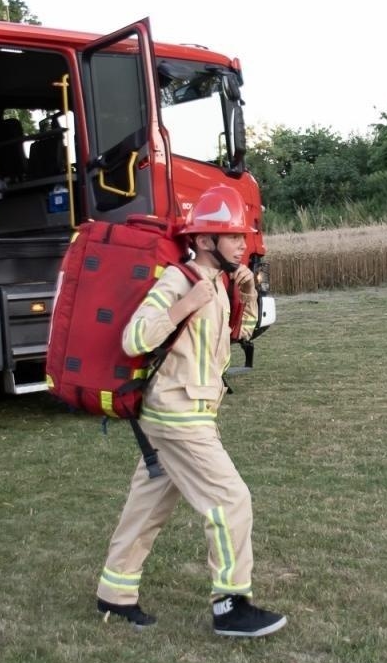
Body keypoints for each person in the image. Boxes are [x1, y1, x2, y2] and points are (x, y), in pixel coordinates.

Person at [95, 184, 287, 637]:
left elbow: (242, 335)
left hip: (188, 411)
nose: (243, 242)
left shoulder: (219, 283)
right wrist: (185, 302)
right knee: (230, 500)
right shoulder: (179, 281)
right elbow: (134, 339)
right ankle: (230, 605)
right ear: (203, 241)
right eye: (232, 235)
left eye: (243, 235)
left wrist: (248, 292)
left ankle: (114, 592)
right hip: (178, 416)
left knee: (148, 506)